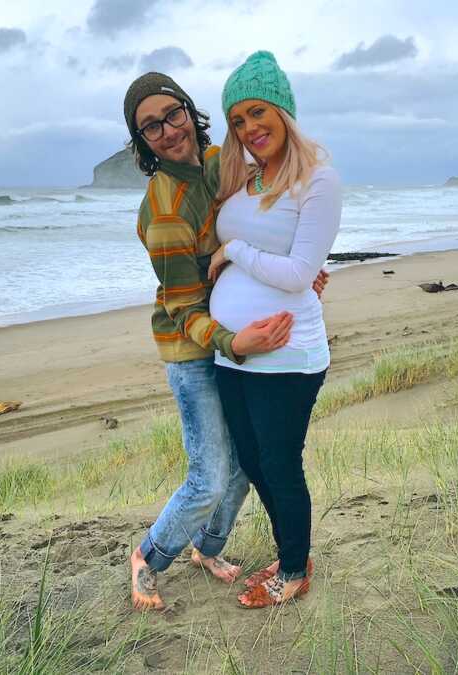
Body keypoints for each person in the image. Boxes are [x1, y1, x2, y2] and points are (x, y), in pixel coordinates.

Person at [122, 73, 328, 610]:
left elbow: (277, 221)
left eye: (173, 114)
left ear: (190, 112)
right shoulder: (166, 210)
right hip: (196, 350)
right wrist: (234, 341)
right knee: (210, 476)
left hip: (239, 346)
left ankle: (207, 548)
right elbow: (182, 306)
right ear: (141, 142)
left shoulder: (221, 164)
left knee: (242, 465)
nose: (167, 131)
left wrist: (302, 271)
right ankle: (149, 555)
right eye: (150, 127)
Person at [207, 51, 342, 608]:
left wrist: (232, 250)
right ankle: (295, 550)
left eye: (257, 113)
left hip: (288, 353)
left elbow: (298, 275)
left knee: (280, 462)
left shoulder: (318, 180)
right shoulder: (246, 178)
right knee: (254, 458)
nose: (248, 128)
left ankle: (292, 571)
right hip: (233, 352)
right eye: (237, 120)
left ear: (283, 111)